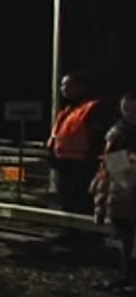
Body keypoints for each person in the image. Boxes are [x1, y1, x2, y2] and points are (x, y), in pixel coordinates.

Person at [50, 72, 113, 215]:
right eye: (62, 85)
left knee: (82, 200)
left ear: (81, 87)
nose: (63, 89)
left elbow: (98, 136)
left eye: (68, 85)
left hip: (84, 163)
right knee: (67, 199)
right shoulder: (67, 111)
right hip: (65, 162)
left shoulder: (93, 107)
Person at [92, 90, 136, 293]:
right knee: (124, 235)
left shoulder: (120, 131)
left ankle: (128, 276)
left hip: (125, 187)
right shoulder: (119, 131)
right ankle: (126, 275)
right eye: (127, 109)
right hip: (120, 190)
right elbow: (112, 163)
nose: (130, 113)